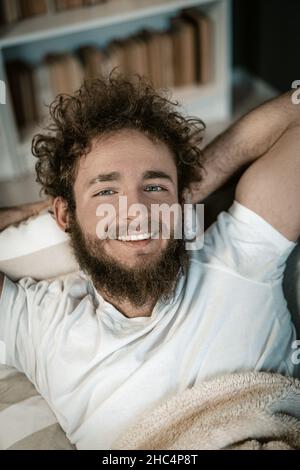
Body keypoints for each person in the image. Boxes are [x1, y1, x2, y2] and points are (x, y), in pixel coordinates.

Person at [0, 73, 299, 450]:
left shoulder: (239, 256)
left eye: (154, 186)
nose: (137, 210)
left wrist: (190, 185)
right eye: (106, 190)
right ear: (65, 217)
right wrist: (41, 209)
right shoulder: (38, 324)